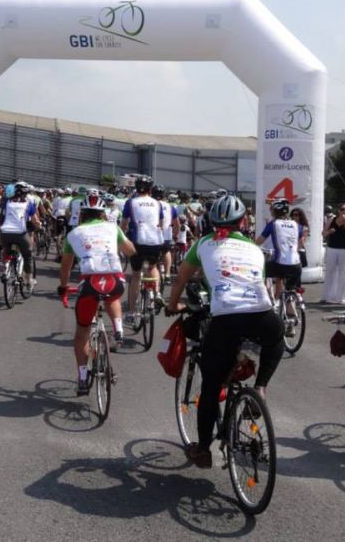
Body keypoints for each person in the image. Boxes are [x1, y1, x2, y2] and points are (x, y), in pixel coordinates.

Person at [167, 195, 284, 468]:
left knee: (210, 387)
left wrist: (173, 305)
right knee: (276, 337)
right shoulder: (254, 249)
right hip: (263, 315)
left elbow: (182, 278)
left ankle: (203, 450)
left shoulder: (202, 244)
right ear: (243, 222)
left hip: (226, 319)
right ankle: (260, 387)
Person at [58, 192, 136, 394]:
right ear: (102, 214)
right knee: (113, 296)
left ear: (82, 214)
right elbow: (130, 251)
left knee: (82, 333)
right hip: (114, 281)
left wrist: (63, 287)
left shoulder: (73, 234)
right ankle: (118, 329)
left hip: (90, 284)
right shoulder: (113, 227)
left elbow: (66, 266)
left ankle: (83, 378)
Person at [121, 175, 164, 325]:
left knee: (136, 276)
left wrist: (121, 238)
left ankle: (132, 313)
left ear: (136, 188)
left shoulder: (131, 202)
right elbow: (160, 223)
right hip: (155, 241)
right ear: (150, 189)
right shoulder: (157, 203)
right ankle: (157, 293)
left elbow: (124, 224)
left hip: (138, 242)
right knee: (152, 267)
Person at [255, 199, 301, 333]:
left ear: (275, 211)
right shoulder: (295, 224)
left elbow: (259, 241)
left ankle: (267, 302)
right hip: (296, 264)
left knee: (261, 272)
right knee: (290, 291)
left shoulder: (273, 224)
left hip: (280, 262)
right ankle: (291, 320)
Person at [0, 182, 40, 289]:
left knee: (6, 251)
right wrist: (39, 226)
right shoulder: (28, 204)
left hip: (5, 233)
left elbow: (2, 216)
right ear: (25, 195)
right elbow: (35, 221)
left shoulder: (7, 203)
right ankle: (29, 280)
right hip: (20, 233)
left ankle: (5, 269)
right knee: (28, 255)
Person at [321, 203, 345, 304]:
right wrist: (329, 232)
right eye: (342, 209)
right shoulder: (332, 219)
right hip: (332, 248)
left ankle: (341, 298)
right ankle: (327, 296)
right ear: (338, 210)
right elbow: (323, 233)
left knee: (344, 274)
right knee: (330, 272)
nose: (344, 212)